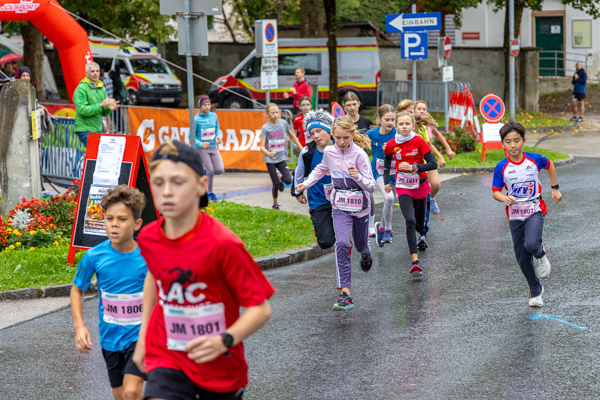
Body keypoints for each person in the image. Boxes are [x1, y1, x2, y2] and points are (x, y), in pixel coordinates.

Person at [132, 140, 274, 400]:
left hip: (220, 366)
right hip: (167, 354)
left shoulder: (223, 244)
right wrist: (142, 339)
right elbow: (155, 276)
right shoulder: (149, 236)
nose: (166, 191)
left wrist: (224, 340)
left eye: (178, 182)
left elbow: (261, 308)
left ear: (201, 185)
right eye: (159, 182)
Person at [70, 186, 148, 400]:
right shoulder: (94, 256)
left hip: (141, 338)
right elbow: (77, 290)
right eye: (109, 218)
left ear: (137, 224)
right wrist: (80, 327)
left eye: (122, 219)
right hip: (110, 340)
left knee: (132, 390)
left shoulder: (148, 256)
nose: (114, 224)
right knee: (121, 395)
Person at [297, 116, 375, 311]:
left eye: (346, 138)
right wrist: (305, 184)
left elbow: (372, 186)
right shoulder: (330, 153)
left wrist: (358, 177)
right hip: (339, 206)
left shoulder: (359, 155)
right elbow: (320, 170)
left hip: (360, 207)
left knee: (360, 245)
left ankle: (366, 254)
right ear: (333, 135)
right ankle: (345, 293)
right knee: (341, 244)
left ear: (352, 135)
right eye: (338, 137)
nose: (341, 142)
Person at [492, 122, 561, 307]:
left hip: (534, 209)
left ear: (524, 141)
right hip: (514, 215)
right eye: (508, 142)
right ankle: (536, 290)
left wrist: (555, 189)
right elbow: (496, 191)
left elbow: (550, 165)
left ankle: (540, 253)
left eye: (516, 140)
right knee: (522, 257)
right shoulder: (502, 167)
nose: (513, 145)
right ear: (502, 144)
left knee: (531, 244)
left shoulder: (533, 159)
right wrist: (503, 198)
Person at [383, 111, 438, 277]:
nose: (404, 127)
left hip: (420, 185)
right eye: (401, 124)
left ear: (413, 126)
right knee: (410, 220)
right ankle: (415, 262)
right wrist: (386, 180)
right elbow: (387, 161)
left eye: (407, 124)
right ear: (396, 127)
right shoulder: (392, 144)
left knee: (420, 225)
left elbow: (432, 164)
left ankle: (423, 231)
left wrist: (415, 167)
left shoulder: (419, 141)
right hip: (403, 186)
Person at [293, 109, 336, 249]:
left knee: (342, 239)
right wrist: (298, 192)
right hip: (318, 200)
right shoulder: (307, 152)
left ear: (328, 129)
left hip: (341, 199)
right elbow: (299, 174)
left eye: (319, 131)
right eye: (312, 133)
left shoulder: (340, 146)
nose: (315, 136)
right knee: (325, 242)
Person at [260, 103, 303, 210]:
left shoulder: (283, 123)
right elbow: (261, 147)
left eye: (277, 112)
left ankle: (280, 177)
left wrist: (301, 148)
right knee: (276, 184)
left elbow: (293, 136)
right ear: (267, 114)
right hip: (270, 159)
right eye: (273, 113)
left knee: (288, 180)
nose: (275, 115)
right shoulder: (265, 128)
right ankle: (275, 204)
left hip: (281, 158)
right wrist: (269, 153)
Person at [366, 104, 397, 247]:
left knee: (390, 200)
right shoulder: (372, 134)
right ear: (379, 119)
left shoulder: (398, 134)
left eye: (393, 119)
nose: (390, 123)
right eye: (387, 119)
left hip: (396, 173)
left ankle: (381, 227)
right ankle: (387, 229)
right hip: (378, 172)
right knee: (389, 197)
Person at [73, 62, 119, 146]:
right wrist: (101, 105)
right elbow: (82, 110)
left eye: (97, 71)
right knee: (95, 153)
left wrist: (109, 109)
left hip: (97, 129)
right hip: (85, 130)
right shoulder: (80, 89)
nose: (95, 73)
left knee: (96, 156)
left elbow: (103, 112)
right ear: (86, 73)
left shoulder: (102, 88)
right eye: (92, 71)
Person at [195, 95, 224, 202]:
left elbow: (217, 129)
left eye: (208, 104)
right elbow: (191, 136)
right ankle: (210, 193)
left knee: (220, 170)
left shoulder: (214, 116)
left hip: (213, 147)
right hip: (202, 149)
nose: (207, 107)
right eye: (204, 105)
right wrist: (201, 144)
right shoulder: (196, 120)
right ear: (200, 106)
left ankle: (203, 171)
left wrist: (218, 136)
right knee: (210, 171)